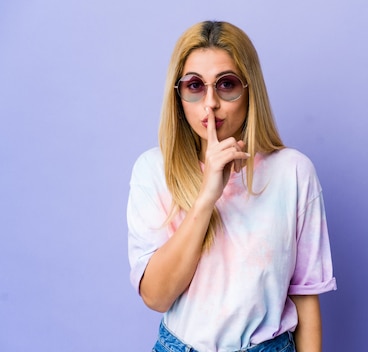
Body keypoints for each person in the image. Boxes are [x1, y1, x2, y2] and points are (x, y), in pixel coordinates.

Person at [126, 20, 336, 352]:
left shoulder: (293, 172)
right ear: (178, 95)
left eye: (226, 84)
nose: (210, 102)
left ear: (250, 89)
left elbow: (306, 297)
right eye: (195, 85)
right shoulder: (153, 170)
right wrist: (207, 196)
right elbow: (155, 296)